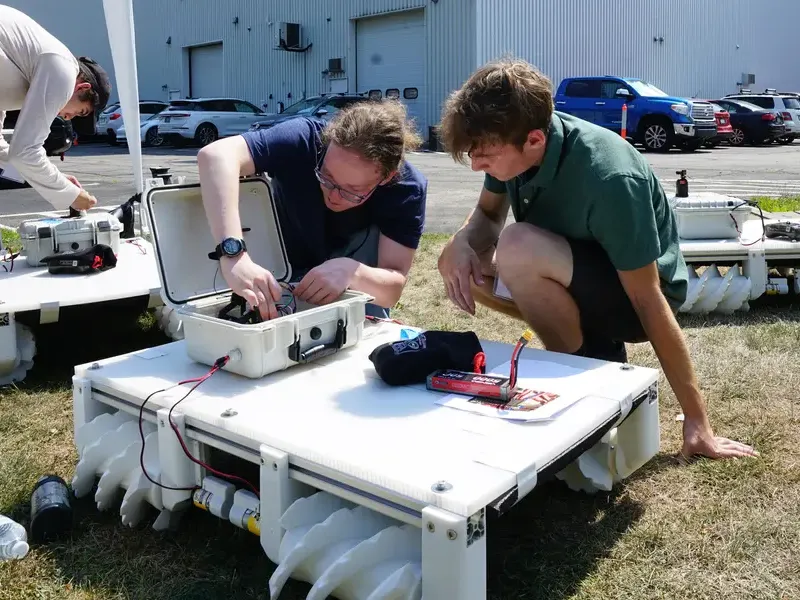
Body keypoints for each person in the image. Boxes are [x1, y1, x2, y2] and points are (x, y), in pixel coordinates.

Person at [436, 57, 758, 462]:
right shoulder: (509, 140)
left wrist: (697, 420)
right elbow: (486, 215)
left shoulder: (610, 177)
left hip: (634, 299)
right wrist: (461, 242)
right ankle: (583, 352)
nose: (477, 164)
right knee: (467, 265)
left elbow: (649, 299)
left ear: (535, 140)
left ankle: (583, 368)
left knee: (516, 245)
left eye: (485, 156)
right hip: (571, 269)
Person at [197, 98, 428, 321]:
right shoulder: (302, 139)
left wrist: (354, 272)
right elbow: (216, 155)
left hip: (354, 288)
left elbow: (391, 291)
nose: (333, 196)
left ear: (387, 177)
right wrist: (234, 256)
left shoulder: (405, 189)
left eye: (352, 190)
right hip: (282, 269)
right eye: (326, 177)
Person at [0, 4, 111, 211]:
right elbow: (25, 152)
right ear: (82, 87)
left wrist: (55, 177)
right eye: (81, 111)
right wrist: (71, 196)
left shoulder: (23, 67)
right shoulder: (64, 70)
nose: (69, 118)